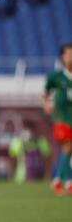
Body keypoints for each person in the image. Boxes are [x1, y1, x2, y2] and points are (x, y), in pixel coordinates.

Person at [42, 43, 72, 196]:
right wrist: (47, 104)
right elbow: (45, 93)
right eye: (69, 54)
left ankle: (60, 180)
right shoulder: (56, 77)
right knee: (68, 147)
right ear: (63, 57)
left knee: (67, 151)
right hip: (61, 119)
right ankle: (66, 181)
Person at [8, 119, 51, 184]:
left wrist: (11, 174)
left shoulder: (41, 140)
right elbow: (47, 159)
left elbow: (12, 160)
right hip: (23, 177)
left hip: (26, 177)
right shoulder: (18, 141)